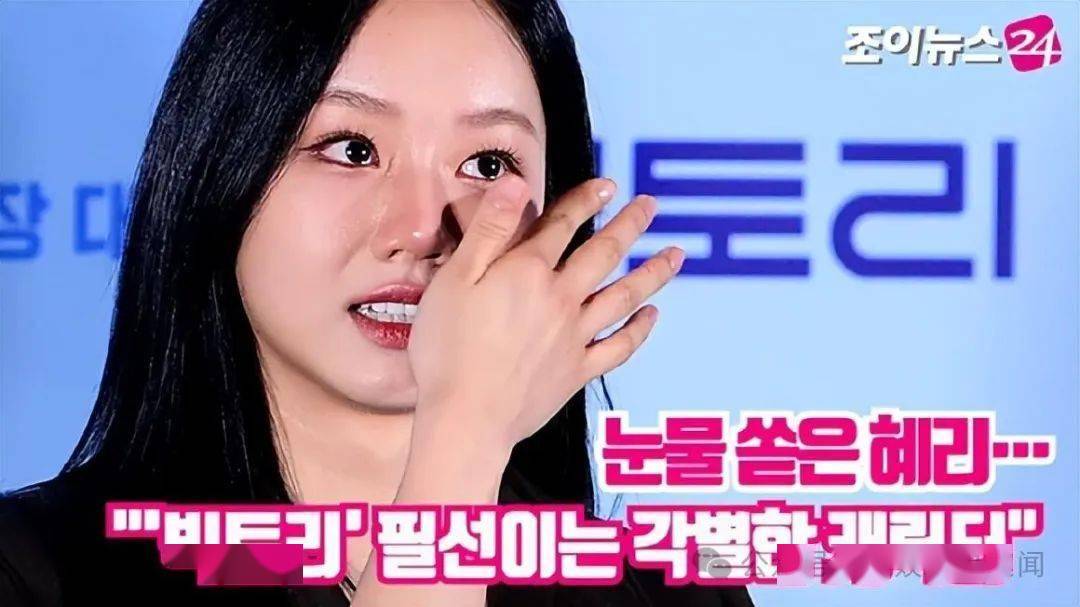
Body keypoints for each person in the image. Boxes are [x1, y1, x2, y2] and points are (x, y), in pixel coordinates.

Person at [0, 1, 755, 606]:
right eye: (352, 150)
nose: (422, 231)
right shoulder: (33, 572)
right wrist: (461, 444)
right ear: (220, 168)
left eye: (488, 163)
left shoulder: (675, 591)